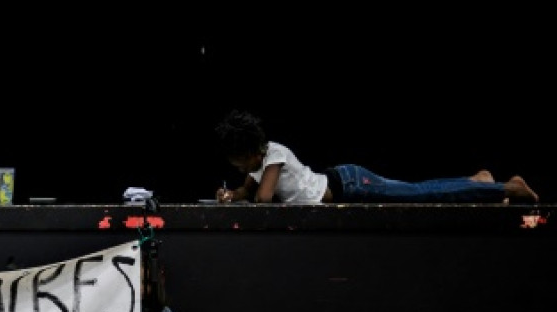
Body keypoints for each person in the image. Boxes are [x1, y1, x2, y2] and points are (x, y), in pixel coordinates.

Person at [213, 109, 539, 205]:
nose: (241, 169)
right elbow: (246, 191)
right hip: (345, 181)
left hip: (352, 184)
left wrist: (243, 194)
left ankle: (506, 189)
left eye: (241, 162)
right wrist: (229, 195)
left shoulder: (274, 155)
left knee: (420, 195)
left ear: (254, 152)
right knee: (418, 189)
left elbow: (264, 199)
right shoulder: (258, 166)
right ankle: (477, 181)